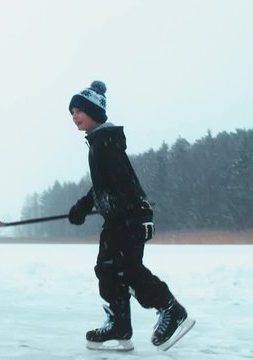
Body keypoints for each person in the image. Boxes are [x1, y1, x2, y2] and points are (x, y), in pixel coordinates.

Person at [67, 80, 192, 351]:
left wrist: (137, 213)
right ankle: (119, 326)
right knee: (108, 270)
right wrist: (84, 205)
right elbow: (105, 184)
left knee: (127, 270)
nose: (74, 116)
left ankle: (172, 310)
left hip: (128, 219)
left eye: (79, 110)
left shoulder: (105, 143)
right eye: (72, 112)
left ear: (94, 112)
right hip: (119, 219)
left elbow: (123, 182)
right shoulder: (99, 142)